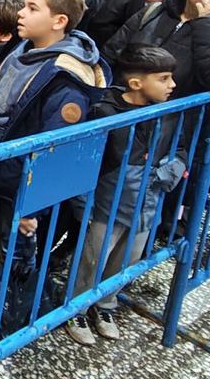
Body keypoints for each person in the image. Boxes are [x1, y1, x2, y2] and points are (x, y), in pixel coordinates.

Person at [63, 45, 184, 347]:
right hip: (107, 204)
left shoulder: (168, 112)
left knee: (127, 259)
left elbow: (180, 147)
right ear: (136, 83)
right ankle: (76, 308)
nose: (172, 85)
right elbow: (86, 162)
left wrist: (175, 166)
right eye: (165, 78)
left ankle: (106, 305)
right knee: (94, 258)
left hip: (147, 202)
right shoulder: (105, 113)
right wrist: (82, 204)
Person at [0, 0, 109, 260]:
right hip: (1, 174)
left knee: (12, 261)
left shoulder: (65, 79)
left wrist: (30, 207)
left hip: (20, 187)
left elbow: (55, 147)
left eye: (32, 8)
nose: (21, 14)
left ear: (59, 21)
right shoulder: (24, 50)